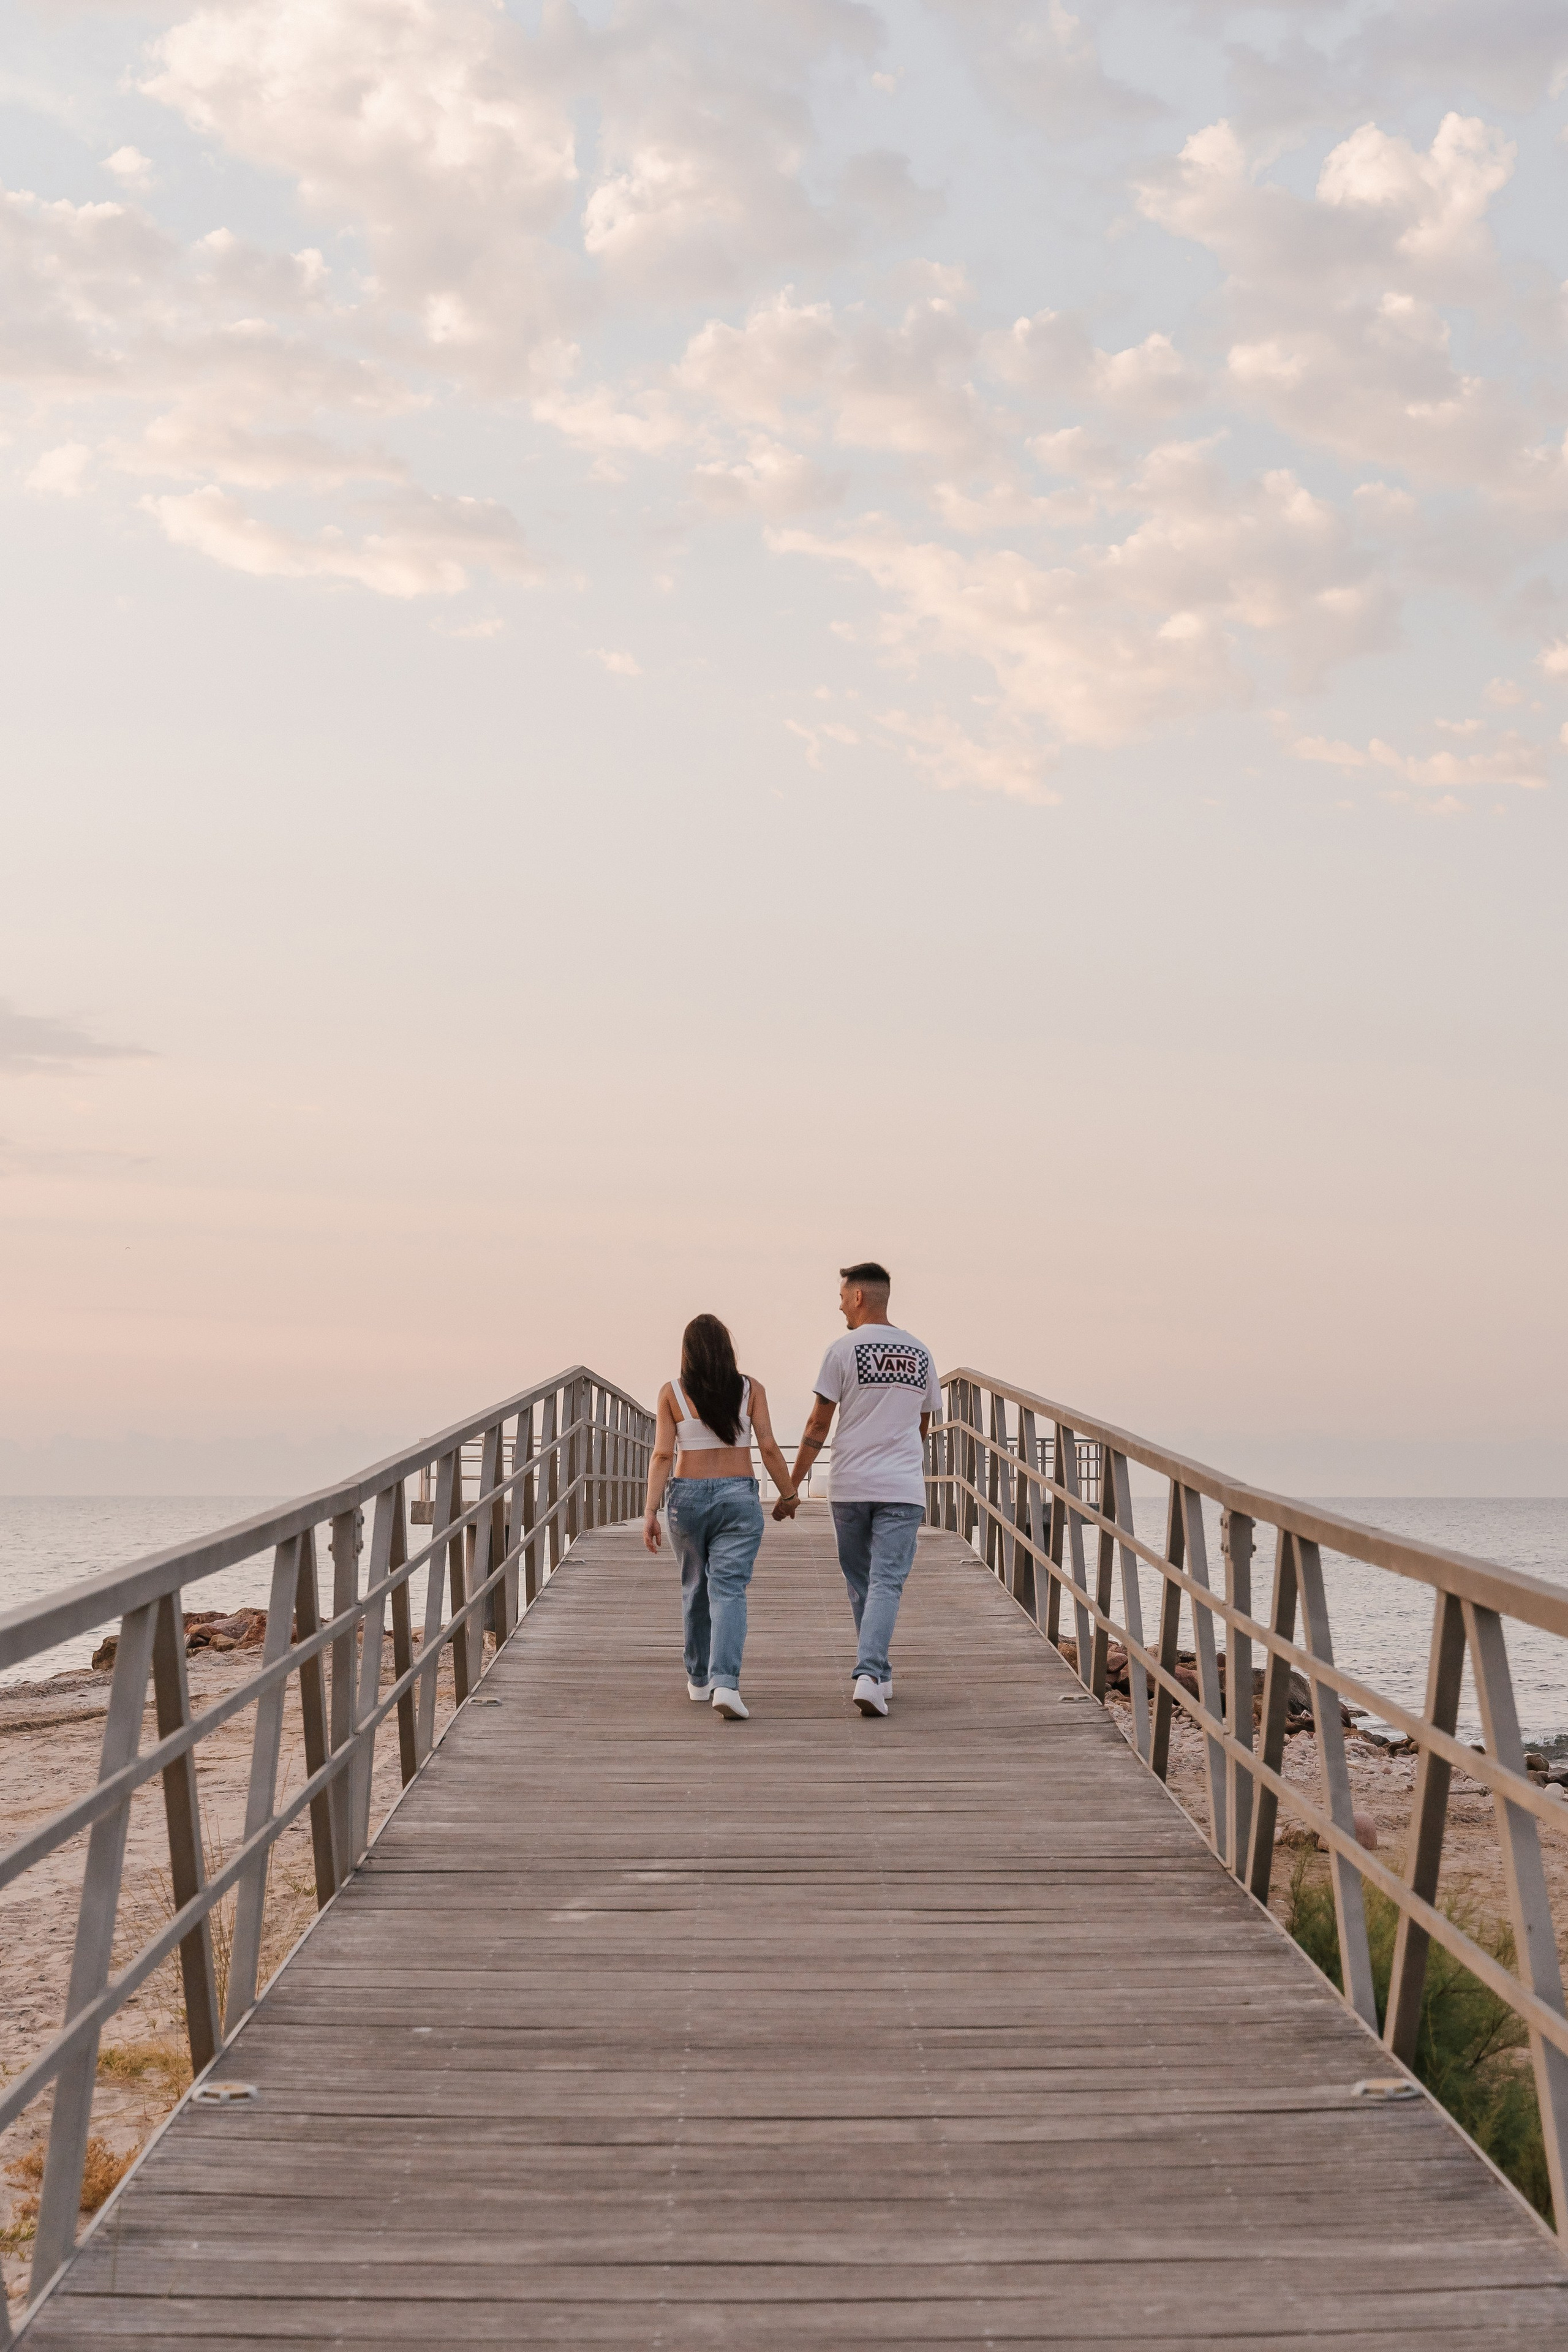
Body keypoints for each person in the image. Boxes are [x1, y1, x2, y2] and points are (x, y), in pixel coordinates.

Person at [775, 1262, 941, 1717]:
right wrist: (899, 1456)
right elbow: (924, 1421)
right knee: (886, 1581)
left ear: (860, 1298)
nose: (840, 1305)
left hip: (851, 1485)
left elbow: (818, 1422)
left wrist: (791, 1488)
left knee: (861, 1581)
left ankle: (869, 1672)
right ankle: (877, 1674)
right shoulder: (921, 1353)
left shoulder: (843, 1349)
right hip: (902, 1487)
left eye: (843, 1296)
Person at [644, 1313, 800, 1720]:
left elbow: (662, 1454)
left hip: (686, 1499)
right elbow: (767, 1447)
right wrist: (789, 1494)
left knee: (695, 1586)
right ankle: (725, 1684)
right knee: (728, 1589)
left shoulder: (671, 1393)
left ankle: (698, 1681)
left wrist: (649, 1511)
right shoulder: (751, 1389)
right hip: (737, 1495)